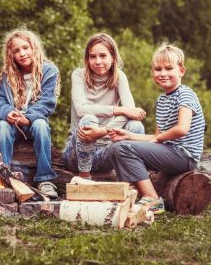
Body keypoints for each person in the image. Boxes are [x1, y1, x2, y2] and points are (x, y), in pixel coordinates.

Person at [107, 43, 205, 214]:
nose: (163, 73)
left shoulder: (185, 94)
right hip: (170, 151)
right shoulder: (162, 100)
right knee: (116, 147)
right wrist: (128, 135)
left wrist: (158, 139)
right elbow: (158, 136)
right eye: (158, 69)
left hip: (184, 156)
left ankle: (153, 199)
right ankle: (130, 193)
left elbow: (182, 129)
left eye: (168, 68)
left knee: (123, 149)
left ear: (181, 71)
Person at [62, 32, 145, 179]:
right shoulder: (78, 75)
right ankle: (84, 179)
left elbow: (131, 112)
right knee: (88, 119)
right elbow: (81, 109)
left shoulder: (119, 77)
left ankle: (132, 181)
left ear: (113, 58)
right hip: (76, 154)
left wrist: (102, 131)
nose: (98, 61)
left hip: (106, 153)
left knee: (135, 125)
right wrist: (118, 109)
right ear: (87, 59)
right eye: (92, 56)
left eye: (103, 56)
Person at [0, 27, 59, 198]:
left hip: (32, 121)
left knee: (41, 125)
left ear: (33, 48)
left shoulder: (48, 71)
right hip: (13, 124)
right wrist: (8, 112)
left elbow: (47, 103)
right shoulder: (7, 76)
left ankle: (45, 179)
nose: (22, 53)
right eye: (16, 51)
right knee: (3, 126)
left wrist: (27, 118)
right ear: (11, 55)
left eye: (25, 48)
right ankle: (3, 175)